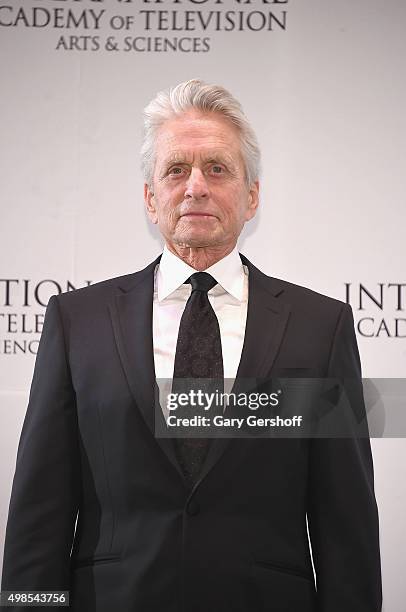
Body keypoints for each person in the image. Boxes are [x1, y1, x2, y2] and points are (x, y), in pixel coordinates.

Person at [1, 79, 382, 611]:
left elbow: (348, 527)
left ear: (251, 197)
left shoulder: (321, 328)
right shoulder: (76, 322)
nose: (196, 187)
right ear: (149, 197)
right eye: (176, 169)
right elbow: (37, 516)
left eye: (218, 169)